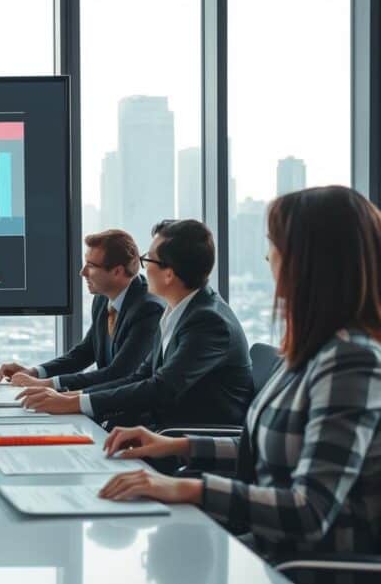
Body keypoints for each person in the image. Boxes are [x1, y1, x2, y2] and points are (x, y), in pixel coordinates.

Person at [99, 186, 381, 562]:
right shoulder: (314, 351)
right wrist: (177, 445)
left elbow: (309, 511)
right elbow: (269, 450)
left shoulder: (352, 361)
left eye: (275, 245)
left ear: (310, 261)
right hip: (267, 548)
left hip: (299, 565)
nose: (268, 257)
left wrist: (188, 488)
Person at [19, 219, 253, 428]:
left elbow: (161, 388)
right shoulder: (179, 309)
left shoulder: (208, 322)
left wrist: (75, 402)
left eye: (147, 259)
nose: (142, 267)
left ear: (168, 274)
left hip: (185, 439)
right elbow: (139, 377)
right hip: (158, 428)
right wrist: (70, 398)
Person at [0, 229, 164, 390]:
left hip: (135, 415)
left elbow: (119, 374)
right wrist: (34, 373)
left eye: (91, 265)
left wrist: (49, 385)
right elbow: (85, 352)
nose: (82, 272)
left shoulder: (148, 309)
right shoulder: (102, 298)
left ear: (117, 271)